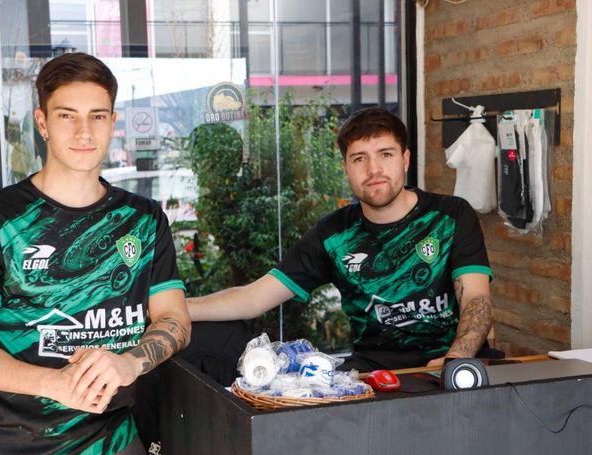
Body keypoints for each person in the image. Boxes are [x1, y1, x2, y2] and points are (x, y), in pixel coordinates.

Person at [0, 52, 190, 455]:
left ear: (113, 121)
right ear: (42, 122)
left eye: (97, 116)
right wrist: (55, 383)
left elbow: (174, 318)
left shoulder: (143, 219)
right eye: (66, 116)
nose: (83, 132)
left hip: (117, 448)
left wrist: (130, 363)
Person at [187, 107, 493, 372]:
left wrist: (457, 358)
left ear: (405, 159)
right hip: (372, 376)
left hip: (454, 368)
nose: (374, 169)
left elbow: (476, 299)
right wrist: (169, 307)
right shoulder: (333, 235)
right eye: (359, 158)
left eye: (385, 154)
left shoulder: (450, 215)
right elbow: (253, 298)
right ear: (346, 168)